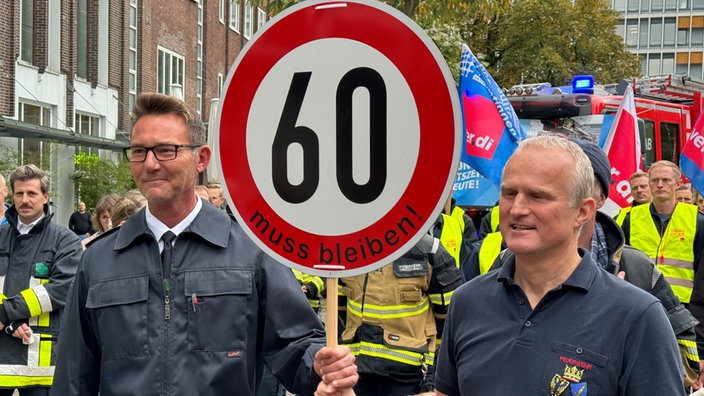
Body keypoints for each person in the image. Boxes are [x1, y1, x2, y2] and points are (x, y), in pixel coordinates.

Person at [51, 92, 357, 396]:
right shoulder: (100, 259)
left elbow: (295, 344)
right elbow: (74, 374)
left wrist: (318, 364)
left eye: (166, 150)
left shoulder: (250, 252)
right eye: (139, 151)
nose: (151, 164)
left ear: (202, 159)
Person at [435, 136, 685, 395]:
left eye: (537, 196)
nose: (517, 209)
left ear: (582, 212)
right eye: (509, 193)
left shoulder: (638, 316)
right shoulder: (467, 301)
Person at [338, 233, 462, 396]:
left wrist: (437, 373)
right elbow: (339, 309)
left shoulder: (428, 250)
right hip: (355, 372)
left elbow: (451, 320)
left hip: (410, 376)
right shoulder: (346, 248)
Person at [0, 164, 83, 395]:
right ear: (12, 195)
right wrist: (11, 323)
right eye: (19, 193)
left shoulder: (65, 241)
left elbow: (61, 290)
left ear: (45, 197)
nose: (25, 200)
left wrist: (5, 313)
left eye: (32, 193)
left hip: (39, 362)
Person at [620, 161, 704, 307]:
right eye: (654, 180)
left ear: (677, 184)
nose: (660, 184)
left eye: (666, 180)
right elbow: (622, 263)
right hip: (642, 302)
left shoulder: (697, 219)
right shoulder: (631, 218)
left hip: (684, 305)